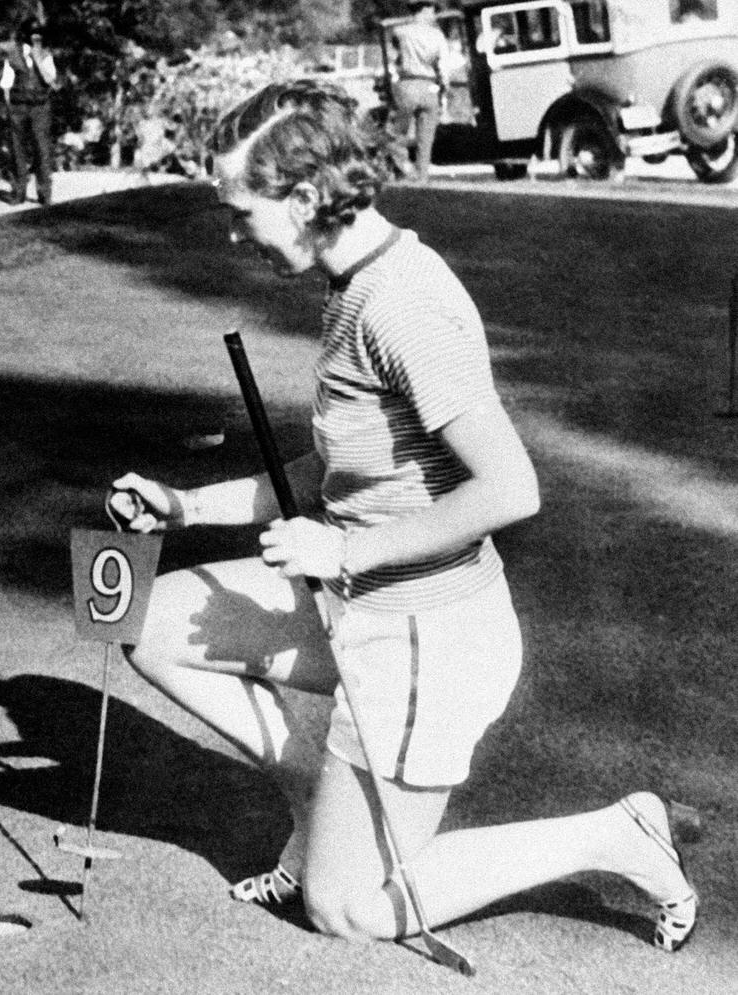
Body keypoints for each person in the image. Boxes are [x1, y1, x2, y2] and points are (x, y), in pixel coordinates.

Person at [109, 82, 698, 953]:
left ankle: (616, 834)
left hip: (429, 637)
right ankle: (328, 807)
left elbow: (509, 490)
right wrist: (188, 505)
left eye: (242, 210)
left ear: (306, 199)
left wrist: (343, 547)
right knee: (145, 620)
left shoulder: (402, 305)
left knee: (345, 910)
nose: (234, 233)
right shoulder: (351, 284)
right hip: (364, 607)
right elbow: (340, 468)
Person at [389, 0, 450, 182]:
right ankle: (422, 176)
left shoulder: (400, 32)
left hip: (407, 85)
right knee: (426, 138)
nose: (434, 15)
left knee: (396, 133)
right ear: (424, 10)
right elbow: (444, 66)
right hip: (429, 86)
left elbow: (395, 55)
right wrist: (443, 88)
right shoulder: (438, 35)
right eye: (432, 11)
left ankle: (401, 168)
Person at [0, 17, 57, 206]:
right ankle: (18, 191)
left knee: (42, 150)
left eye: (38, 35)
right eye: (32, 35)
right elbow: (6, 84)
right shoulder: (13, 54)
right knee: (17, 150)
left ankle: (44, 193)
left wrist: (37, 58)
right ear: (25, 35)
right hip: (18, 106)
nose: (35, 39)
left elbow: (50, 80)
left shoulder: (46, 54)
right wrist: (10, 108)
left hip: (40, 107)